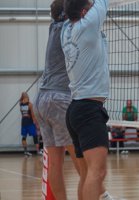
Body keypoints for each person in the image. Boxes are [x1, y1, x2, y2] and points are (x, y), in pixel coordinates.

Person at [34, 1, 113, 199]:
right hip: (63, 99)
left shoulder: (56, 28)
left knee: (55, 162)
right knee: (86, 168)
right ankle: (99, 194)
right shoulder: (78, 28)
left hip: (42, 99)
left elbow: (64, 8)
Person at [61, 0, 112, 199]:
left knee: (87, 174)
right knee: (97, 173)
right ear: (84, 12)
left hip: (76, 110)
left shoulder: (65, 30)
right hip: (89, 111)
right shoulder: (88, 24)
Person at [19, 92, 40, 156]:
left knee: (24, 137)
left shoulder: (20, 104)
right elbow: (33, 116)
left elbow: (22, 114)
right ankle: (38, 151)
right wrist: (37, 124)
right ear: (27, 97)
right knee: (35, 136)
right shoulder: (30, 105)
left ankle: (25, 152)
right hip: (30, 123)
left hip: (23, 123)